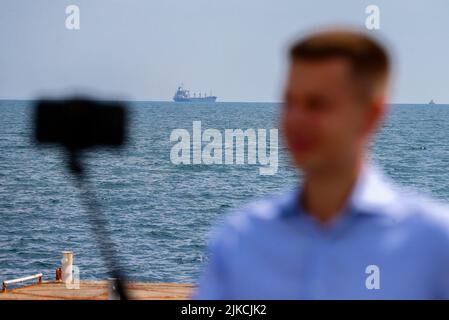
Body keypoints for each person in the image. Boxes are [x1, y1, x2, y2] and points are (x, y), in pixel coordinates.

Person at [193, 28, 449, 299]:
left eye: (316, 105)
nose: (295, 120)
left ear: (371, 115)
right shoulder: (238, 241)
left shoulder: (435, 244)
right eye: (290, 103)